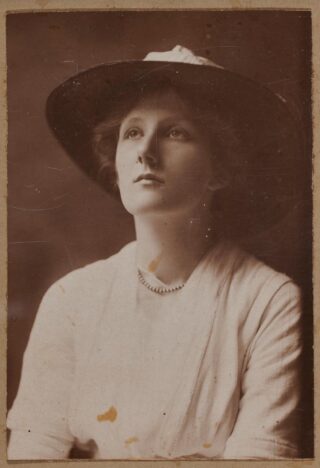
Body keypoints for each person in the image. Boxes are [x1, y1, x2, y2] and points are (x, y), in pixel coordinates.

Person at [7, 45, 305, 460]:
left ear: (220, 168)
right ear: (115, 161)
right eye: (132, 133)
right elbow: (31, 452)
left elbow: (261, 457)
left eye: (174, 132)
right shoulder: (71, 299)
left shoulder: (267, 301)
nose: (145, 152)